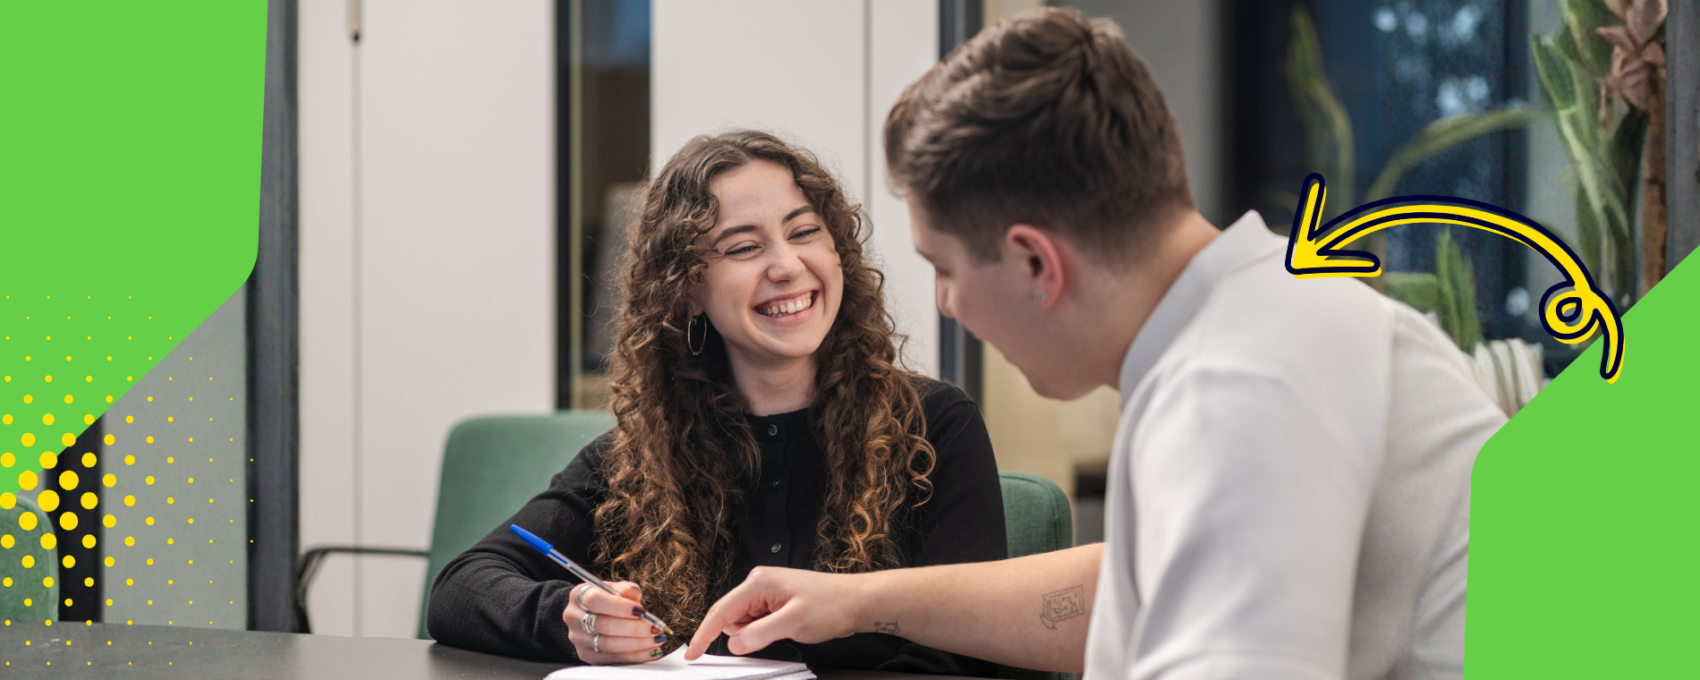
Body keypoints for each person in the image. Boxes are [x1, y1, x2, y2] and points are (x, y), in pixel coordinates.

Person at [687, 9, 1505, 680]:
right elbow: (1136, 586)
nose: (944, 302)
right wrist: (857, 601)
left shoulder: (1240, 387)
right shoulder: (1260, 320)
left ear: (1036, 262)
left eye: (943, 267)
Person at [427, 130, 1007, 674]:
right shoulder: (644, 454)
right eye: (744, 247)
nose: (786, 265)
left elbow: (973, 652)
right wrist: (571, 619)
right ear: (687, 291)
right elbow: (462, 587)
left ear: (838, 253)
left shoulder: (933, 428)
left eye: (804, 232)